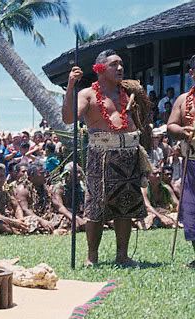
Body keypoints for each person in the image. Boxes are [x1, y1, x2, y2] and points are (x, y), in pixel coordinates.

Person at [63, 49, 150, 267]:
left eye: (121, 64)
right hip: (100, 156)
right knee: (96, 206)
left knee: (126, 206)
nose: (120, 68)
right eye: (114, 64)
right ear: (100, 69)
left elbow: (143, 119)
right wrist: (71, 86)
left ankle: (123, 255)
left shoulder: (130, 91)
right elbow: (68, 118)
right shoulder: (87, 94)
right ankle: (92, 256)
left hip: (128, 154)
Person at [166, 56, 195, 267]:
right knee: (192, 208)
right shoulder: (183, 100)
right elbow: (171, 126)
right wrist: (183, 131)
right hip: (192, 162)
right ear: (192, 73)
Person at [13, 163, 63, 234]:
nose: (45, 175)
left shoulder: (45, 188)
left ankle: (51, 229)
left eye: (45, 173)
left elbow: (58, 206)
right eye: (42, 173)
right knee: (30, 223)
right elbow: (25, 210)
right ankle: (53, 230)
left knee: (65, 218)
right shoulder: (23, 189)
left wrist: (74, 217)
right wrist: (42, 221)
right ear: (32, 175)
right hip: (31, 218)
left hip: (45, 217)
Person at [51, 162, 87, 231]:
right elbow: (60, 208)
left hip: (79, 213)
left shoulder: (81, 186)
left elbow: (87, 204)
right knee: (66, 221)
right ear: (68, 174)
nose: (79, 175)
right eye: (76, 172)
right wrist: (75, 218)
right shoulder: (59, 188)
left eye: (79, 172)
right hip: (67, 214)